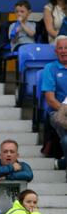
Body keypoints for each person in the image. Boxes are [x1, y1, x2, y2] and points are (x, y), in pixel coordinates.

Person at [43, 35, 67, 179]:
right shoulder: (50, 68)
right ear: (55, 51)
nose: (64, 50)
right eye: (60, 48)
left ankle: (64, 162)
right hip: (57, 112)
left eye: (66, 48)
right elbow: (50, 100)